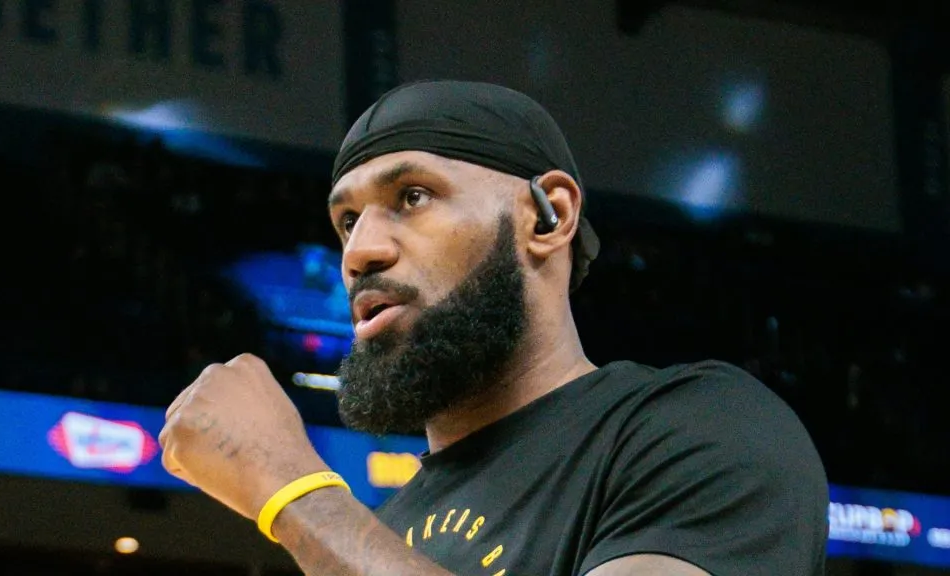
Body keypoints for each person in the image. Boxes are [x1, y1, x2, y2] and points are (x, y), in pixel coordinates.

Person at [158, 80, 829, 576]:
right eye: (346, 222)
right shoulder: (379, 534)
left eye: (411, 197)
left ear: (548, 216)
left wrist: (294, 492)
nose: (358, 252)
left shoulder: (699, 429)